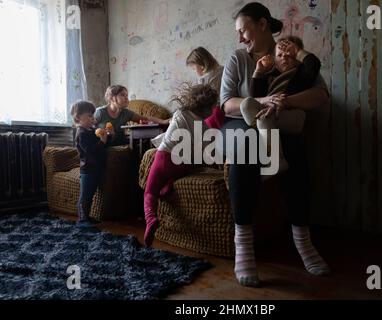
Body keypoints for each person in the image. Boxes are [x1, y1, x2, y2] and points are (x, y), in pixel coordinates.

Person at [220, 2, 331, 287]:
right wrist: (264, 102)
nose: (240, 37)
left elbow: (320, 95)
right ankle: (243, 245)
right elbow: (226, 104)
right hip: (241, 123)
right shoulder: (238, 59)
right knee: (246, 143)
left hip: (277, 122)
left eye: (243, 30)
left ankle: (303, 243)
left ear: (262, 25)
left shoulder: (287, 52)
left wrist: (285, 102)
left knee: (293, 147)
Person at [143, 83, 220, 247]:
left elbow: (167, 133)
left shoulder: (180, 113)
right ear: (208, 107)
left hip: (165, 157)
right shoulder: (205, 127)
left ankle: (150, 219)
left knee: (150, 191)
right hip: (183, 165)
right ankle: (169, 184)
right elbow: (209, 154)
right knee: (185, 170)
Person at [240, 36, 321, 173]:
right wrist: (259, 71)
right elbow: (256, 96)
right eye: (280, 55)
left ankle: (277, 161)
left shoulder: (300, 74)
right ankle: (261, 131)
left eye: (290, 54)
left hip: (294, 116)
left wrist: (298, 51)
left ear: (298, 58)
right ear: (274, 59)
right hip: (272, 117)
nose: (285, 57)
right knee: (246, 104)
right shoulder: (271, 76)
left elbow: (313, 64)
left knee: (264, 118)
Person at [71, 101, 111, 226]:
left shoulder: (92, 130)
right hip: (88, 169)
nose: (92, 119)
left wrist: (108, 135)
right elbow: (90, 150)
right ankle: (82, 219)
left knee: (91, 194)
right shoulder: (81, 133)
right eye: (89, 116)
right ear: (78, 118)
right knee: (86, 195)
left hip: (96, 168)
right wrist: (102, 142)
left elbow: (102, 145)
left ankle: (87, 217)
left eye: (93, 116)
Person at [94, 85, 170, 146]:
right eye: (122, 95)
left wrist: (164, 121)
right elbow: (89, 128)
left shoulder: (126, 113)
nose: (126, 98)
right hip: (103, 143)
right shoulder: (100, 112)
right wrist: (103, 133)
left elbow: (146, 119)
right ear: (112, 98)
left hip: (120, 142)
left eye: (127, 95)